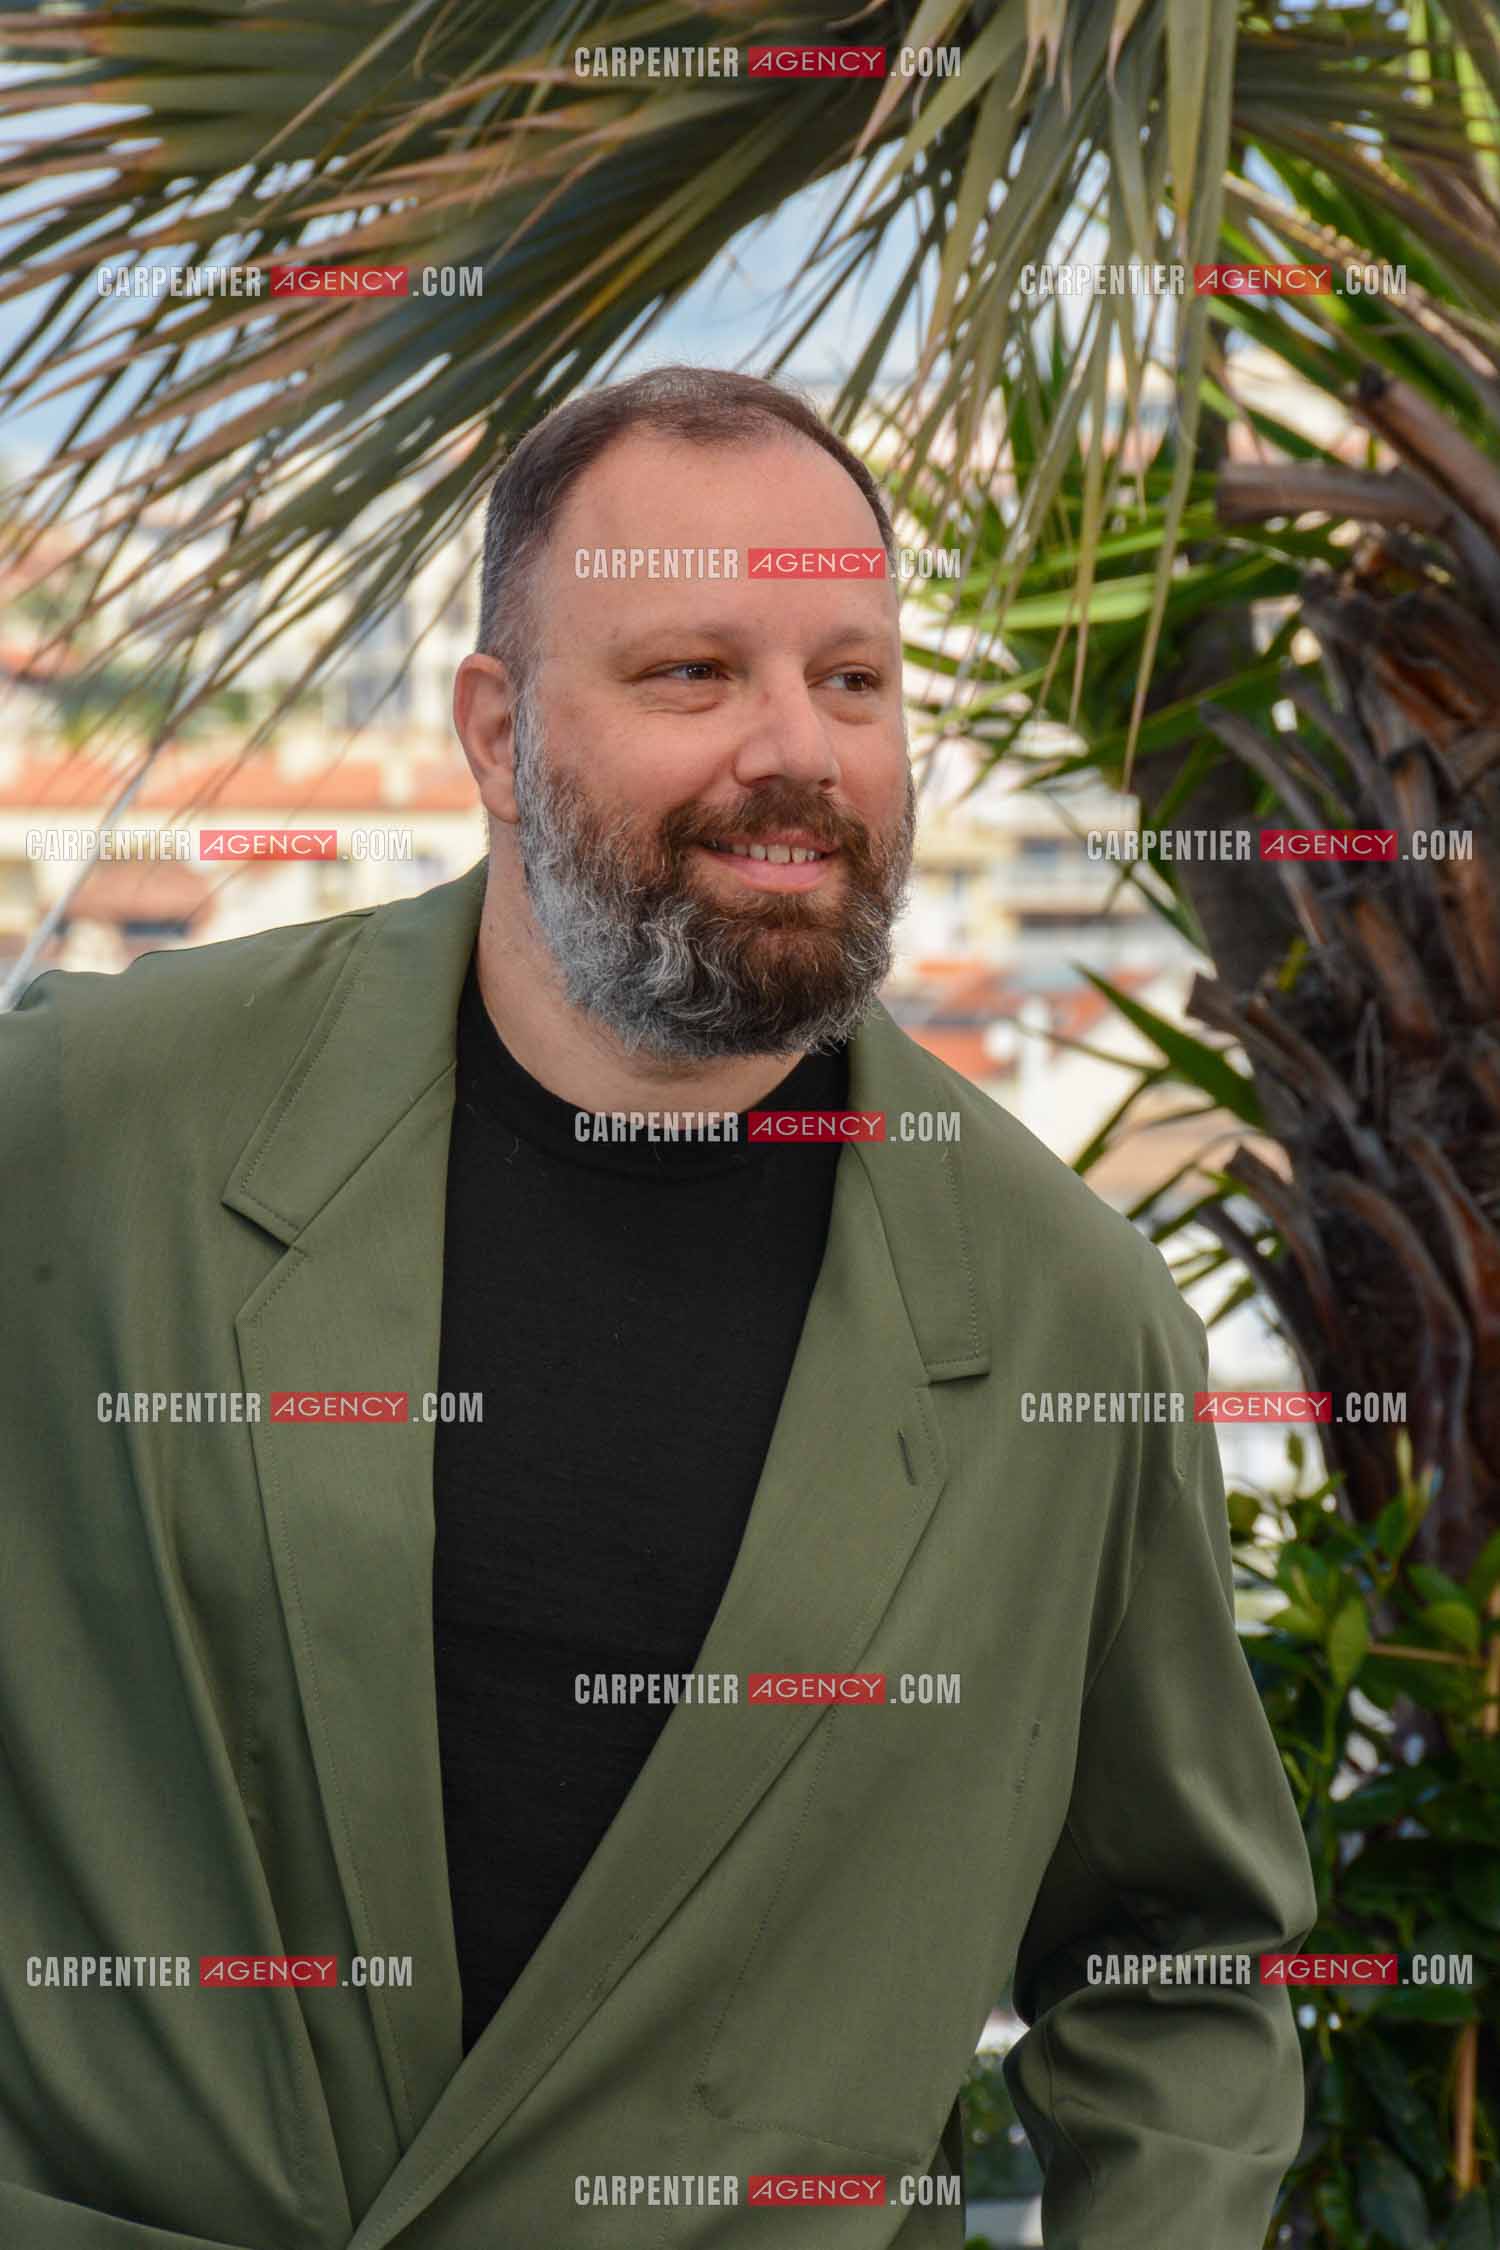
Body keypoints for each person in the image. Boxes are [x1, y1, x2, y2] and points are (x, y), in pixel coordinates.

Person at [0, 365, 1316, 2250]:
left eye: (852, 680)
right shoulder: (82, 1128)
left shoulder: (1068, 1321)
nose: (798, 750)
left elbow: (1177, 1962)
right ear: (496, 727)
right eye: (694, 672)